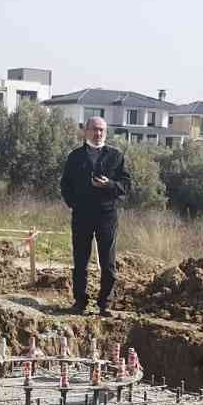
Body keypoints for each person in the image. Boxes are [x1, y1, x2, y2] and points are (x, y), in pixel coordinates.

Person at [59, 116, 131, 314]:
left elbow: (125, 186)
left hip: (107, 216)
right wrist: (74, 204)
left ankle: (105, 303)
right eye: (94, 129)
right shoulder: (75, 157)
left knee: (108, 262)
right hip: (81, 215)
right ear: (86, 131)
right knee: (80, 260)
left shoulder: (116, 156)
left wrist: (108, 184)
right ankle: (80, 302)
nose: (98, 134)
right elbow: (65, 185)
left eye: (102, 130)